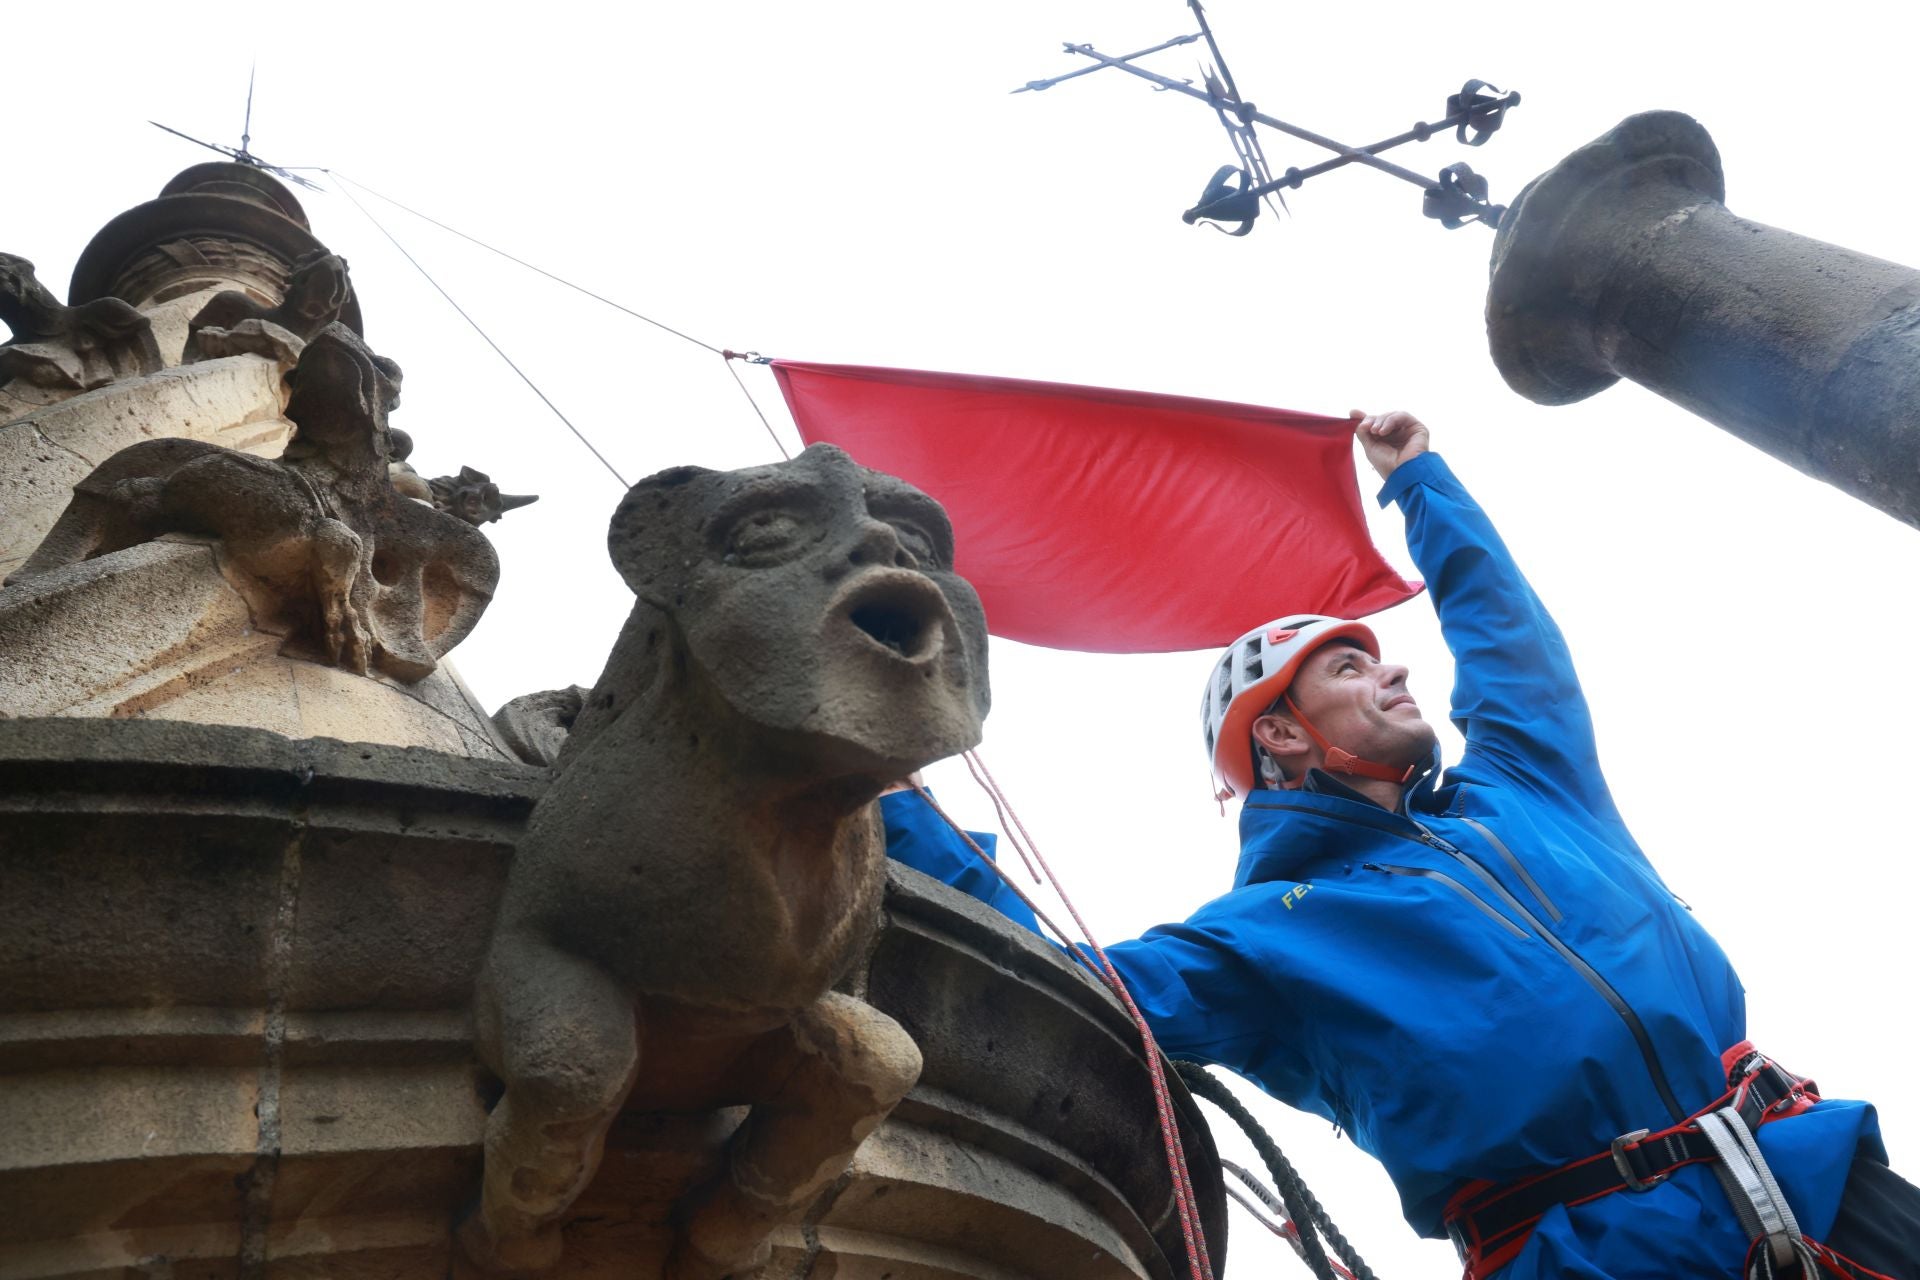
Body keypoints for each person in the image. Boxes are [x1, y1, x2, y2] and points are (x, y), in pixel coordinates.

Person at [885, 411, 1920, 1279]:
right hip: (1599, 1254)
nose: (1393, 673)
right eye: (1347, 666)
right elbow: (1061, 982)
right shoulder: (1264, 936)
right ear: (1281, 734)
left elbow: (1514, 645)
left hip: (1817, 1171)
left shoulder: (1520, 788)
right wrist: (890, 797)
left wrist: (1421, 482)